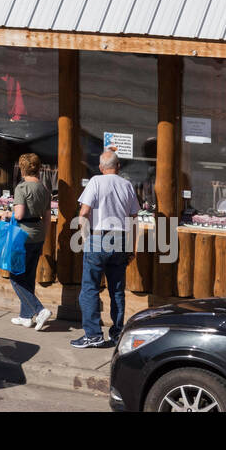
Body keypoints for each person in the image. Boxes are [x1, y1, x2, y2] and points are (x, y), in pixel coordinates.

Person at [72, 148, 141, 349]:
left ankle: (93, 335)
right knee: (117, 290)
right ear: (118, 167)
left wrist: (85, 238)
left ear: (101, 168)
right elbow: (134, 220)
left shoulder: (95, 181)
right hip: (120, 240)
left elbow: (84, 212)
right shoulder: (127, 185)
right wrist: (132, 248)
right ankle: (117, 333)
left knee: (90, 289)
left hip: (98, 237)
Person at [2, 152, 52, 331]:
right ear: (38, 169)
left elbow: (19, 215)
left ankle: (39, 309)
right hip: (38, 233)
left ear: (22, 169)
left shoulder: (21, 188)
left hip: (22, 235)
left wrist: (7, 214)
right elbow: (47, 218)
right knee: (28, 276)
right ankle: (25, 316)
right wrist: (44, 237)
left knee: (15, 277)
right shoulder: (44, 189)